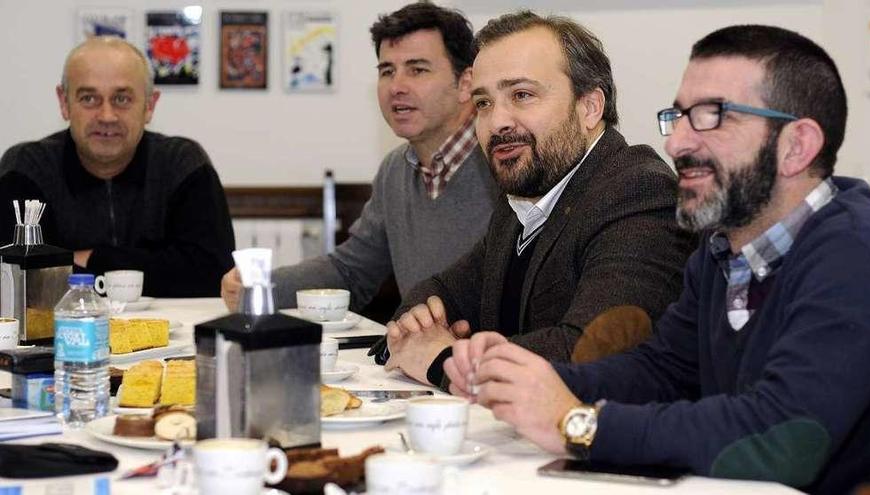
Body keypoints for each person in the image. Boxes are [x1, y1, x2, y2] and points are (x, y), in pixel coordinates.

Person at [446, 24, 870, 494]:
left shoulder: (857, 254)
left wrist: (578, 425)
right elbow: (661, 372)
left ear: (797, 146)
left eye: (711, 116)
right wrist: (526, 379)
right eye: (679, 117)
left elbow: (782, 438)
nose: (677, 144)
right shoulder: (720, 250)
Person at [378, 12, 696, 388]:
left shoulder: (639, 192)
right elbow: (437, 294)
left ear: (590, 107)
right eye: (483, 103)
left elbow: (588, 352)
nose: (497, 122)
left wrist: (446, 359)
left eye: (522, 95)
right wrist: (418, 330)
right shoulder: (525, 197)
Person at [220, 2, 499, 312]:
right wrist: (261, 286)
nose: (397, 87)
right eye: (387, 71)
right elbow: (352, 271)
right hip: (419, 353)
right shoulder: (395, 170)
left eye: (417, 70)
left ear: (465, 84)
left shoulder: (504, 165)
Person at [0, 36, 234, 297]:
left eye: (122, 99)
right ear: (64, 103)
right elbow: (21, 282)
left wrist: (94, 259)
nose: (107, 116)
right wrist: (154, 267)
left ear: (149, 105)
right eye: (89, 99)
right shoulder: (27, 168)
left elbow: (213, 274)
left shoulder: (183, 163)